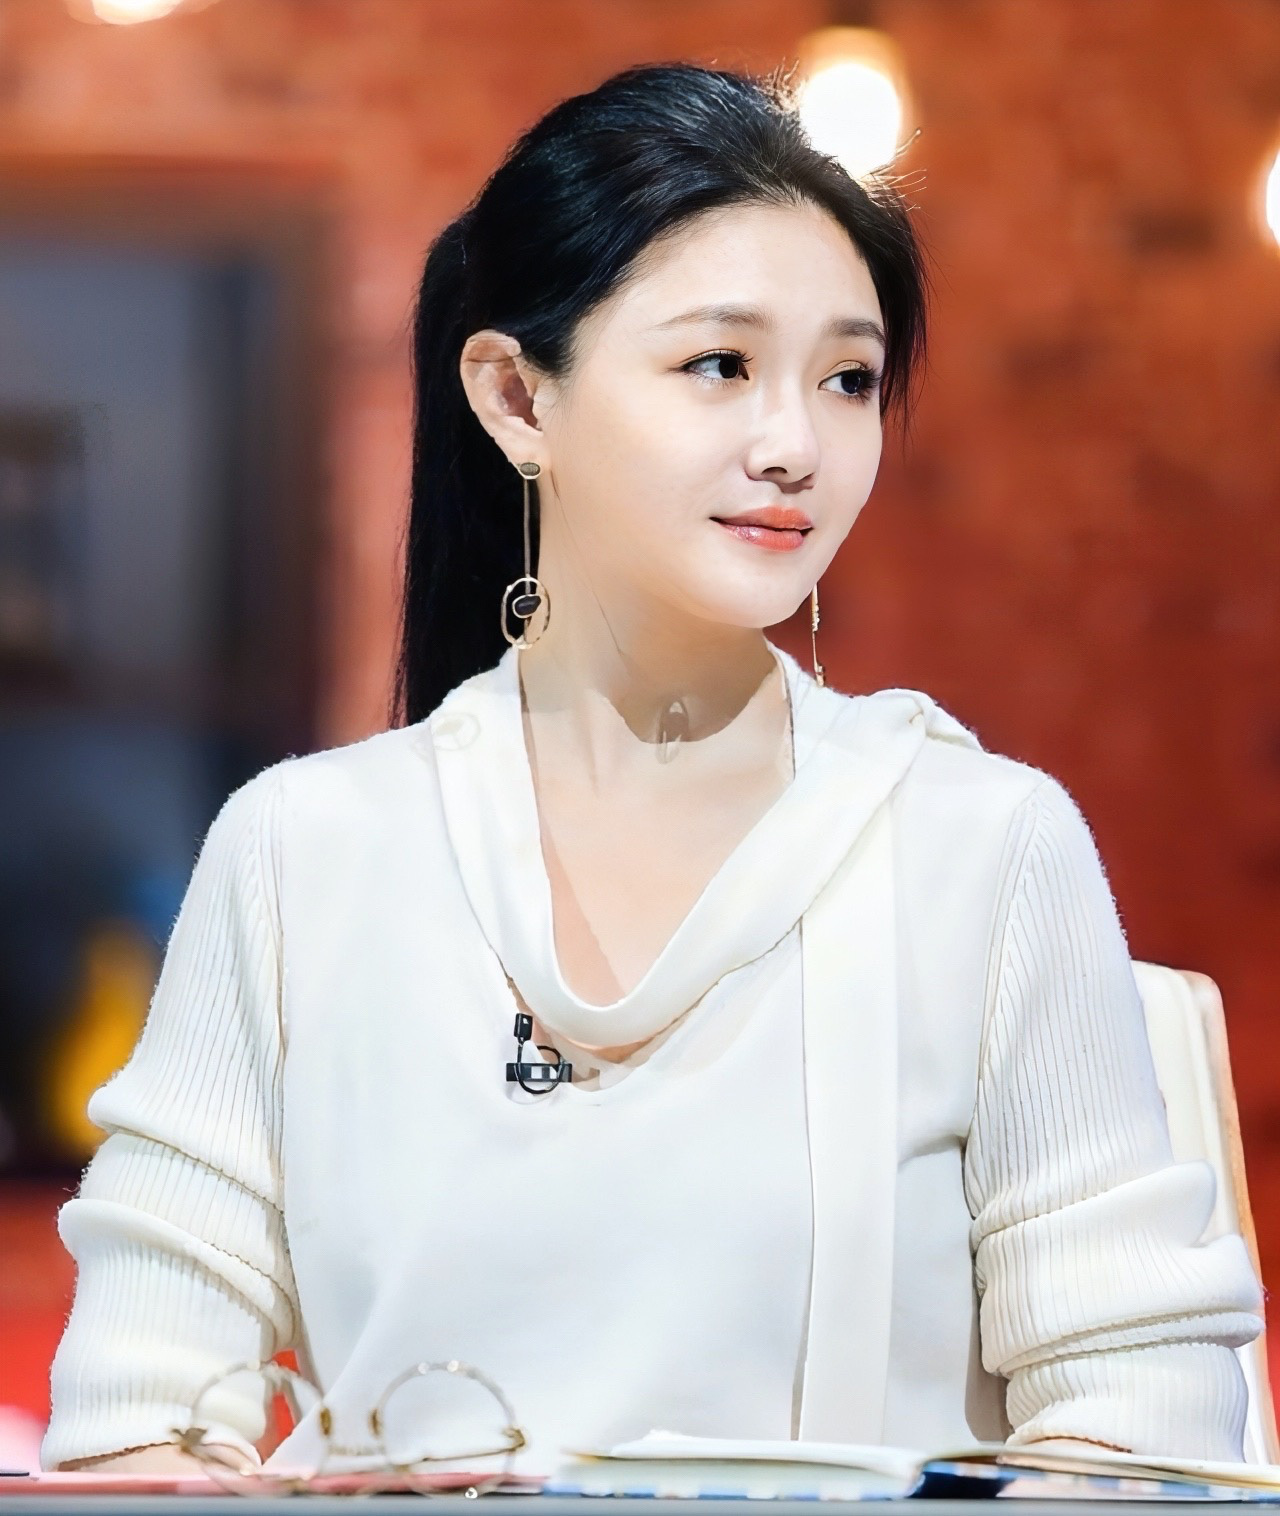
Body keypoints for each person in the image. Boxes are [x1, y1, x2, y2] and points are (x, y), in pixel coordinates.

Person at [44, 61, 1263, 1477]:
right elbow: (137, 1425)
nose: (795, 445)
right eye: (719, 365)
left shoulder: (981, 845)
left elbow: (1139, 1423)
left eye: (849, 380)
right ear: (517, 398)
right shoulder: (302, 853)